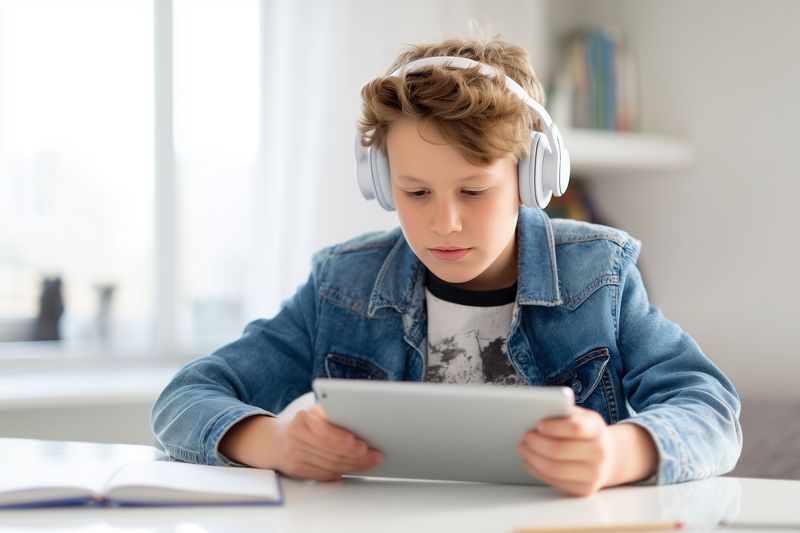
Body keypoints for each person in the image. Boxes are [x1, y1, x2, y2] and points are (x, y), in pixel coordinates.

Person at [151, 36, 741, 497]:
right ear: (381, 183)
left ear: (531, 178)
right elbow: (186, 398)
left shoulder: (598, 275)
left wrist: (620, 454)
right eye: (416, 192)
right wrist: (272, 441)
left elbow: (708, 406)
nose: (445, 224)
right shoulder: (343, 286)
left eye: (475, 192)